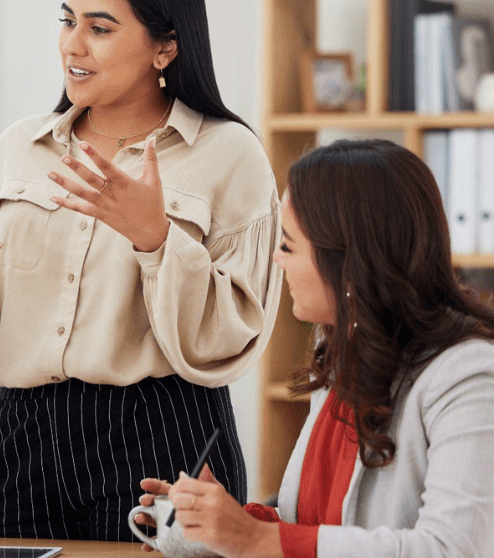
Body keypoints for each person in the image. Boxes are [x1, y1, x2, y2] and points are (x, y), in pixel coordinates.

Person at [0, 0, 282, 541]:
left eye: (99, 28)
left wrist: (156, 240)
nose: (72, 45)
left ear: (165, 46)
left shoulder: (229, 155)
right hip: (20, 437)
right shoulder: (18, 148)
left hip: (163, 433)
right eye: (68, 22)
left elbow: (232, 335)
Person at [137, 139, 494, 558]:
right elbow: (321, 529)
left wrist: (253, 539)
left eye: (287, 245)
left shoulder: (468, 376)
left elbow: (453, 549)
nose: (276, 258)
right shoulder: (344, 351)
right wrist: (226, 525)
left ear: (349, 262)